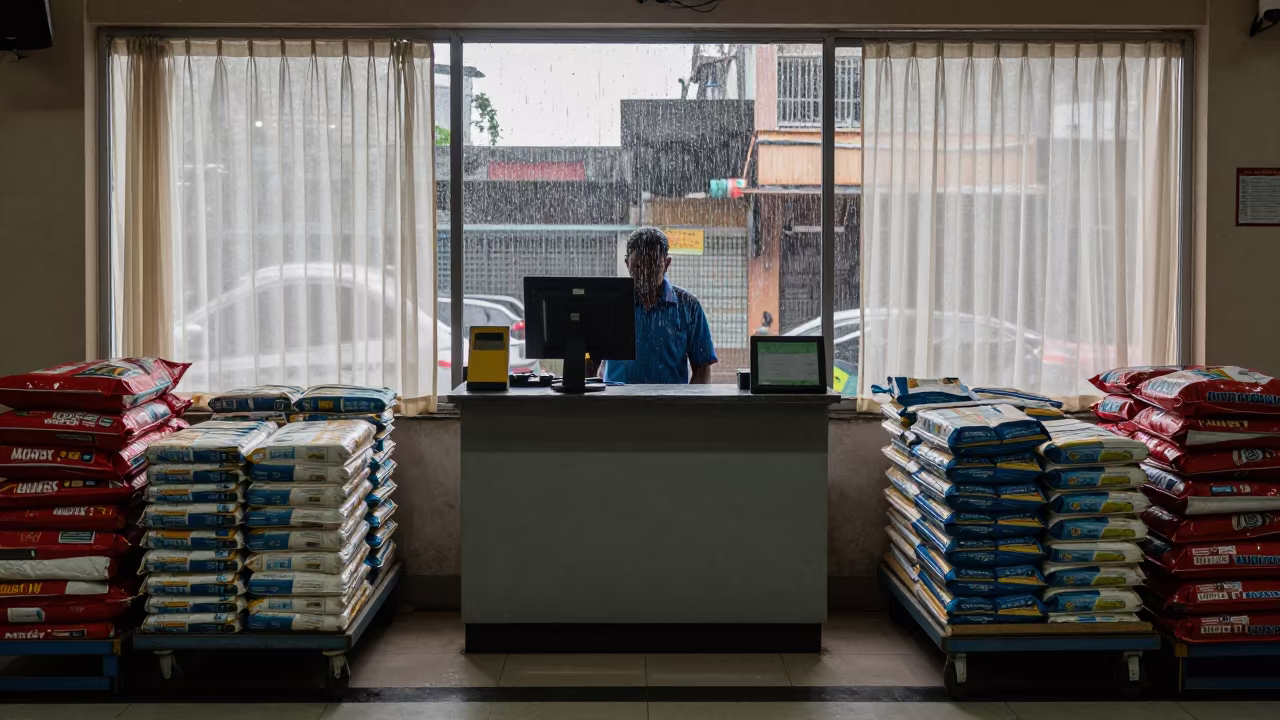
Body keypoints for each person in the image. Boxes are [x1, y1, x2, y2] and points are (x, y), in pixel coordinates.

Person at [599, 227, 718, 384]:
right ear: (627, 263)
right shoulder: (611, 304)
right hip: (616, 406)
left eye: (653, 266)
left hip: (670, 406)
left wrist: (688, 407)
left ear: (667, 263)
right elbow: (590, 362)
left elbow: (702, 369)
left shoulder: (689, 307)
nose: (644, 275)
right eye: (637, 267)